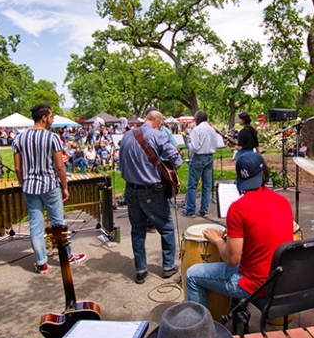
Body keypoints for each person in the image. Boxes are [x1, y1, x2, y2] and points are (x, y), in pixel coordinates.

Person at [186, 152, 293, 308]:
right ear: (263, 174)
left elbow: (232, 260)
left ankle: (202, 329)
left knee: (192, 275)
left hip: (256, 286)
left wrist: (217, 241)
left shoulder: (238, 209)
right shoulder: (283, 201)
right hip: (281, 279)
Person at [13, 104, 85, 274]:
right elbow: (60, 167)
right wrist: (65, 187)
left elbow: (17, 168)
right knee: (58, 223)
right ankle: (66, 256)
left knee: (35, 225)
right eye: (51, 117)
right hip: (50, 186)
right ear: (44, 117)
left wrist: (24, 183)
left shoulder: (18, 139)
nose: (53, 120)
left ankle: (41, 262)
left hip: (30, 188)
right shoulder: (52, 138)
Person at [119, 110, 182, 284]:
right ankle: (168, 266)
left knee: (137, 230)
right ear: (159, 123)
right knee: (167, 227)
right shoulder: (158, 135)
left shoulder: (126, 136)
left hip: (130, 189)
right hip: (151, 190)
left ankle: (140, 270)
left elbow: (121, 164)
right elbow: (176, 161)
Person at [181, 110, 218, 218]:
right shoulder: (212, 129)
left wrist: (189, 145)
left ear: (197, 119)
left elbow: (195, 147)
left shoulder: (197, 130)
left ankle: (190, 210)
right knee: (207, 185)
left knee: (192, 185)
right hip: (209, 156)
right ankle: (204, 210)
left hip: (198, 157)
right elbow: (215, 144)